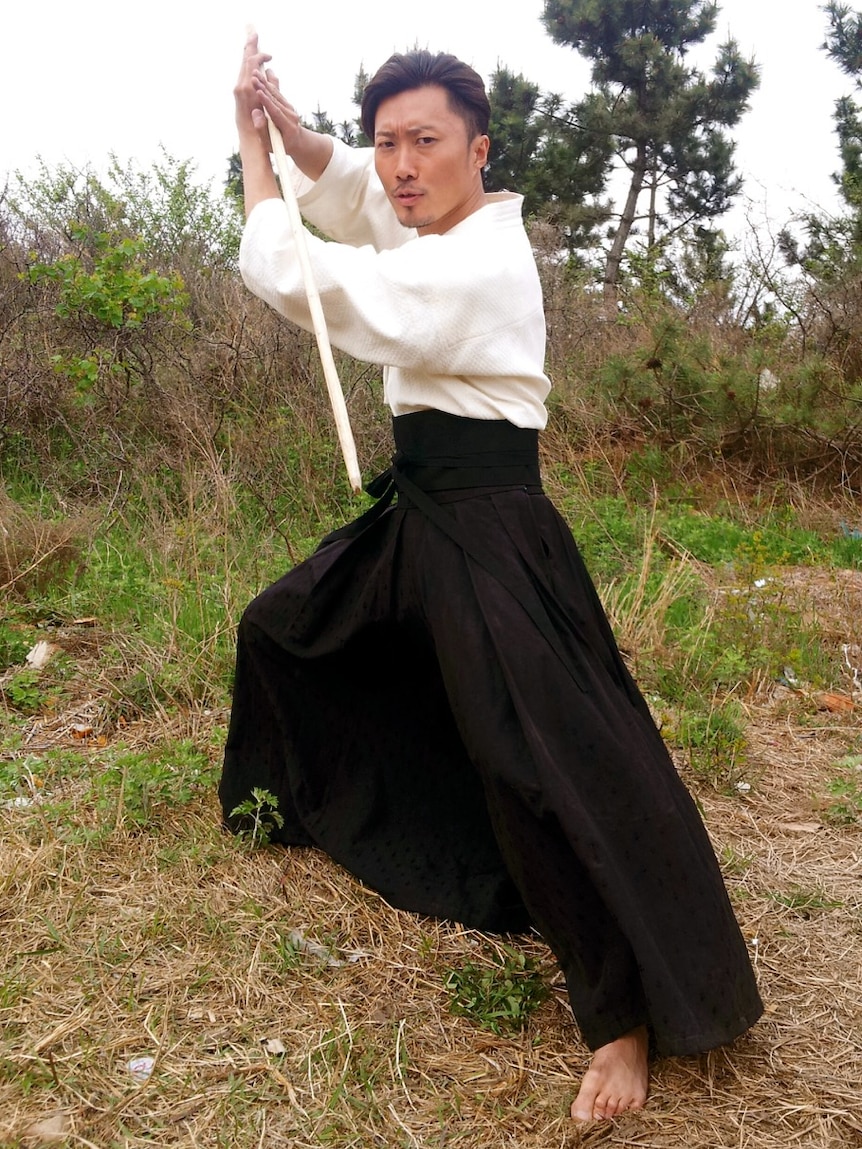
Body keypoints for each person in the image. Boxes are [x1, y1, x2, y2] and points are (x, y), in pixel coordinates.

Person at [220, 33, 764, 1122]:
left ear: (480, 147)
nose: (401, 166)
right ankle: (299, 803)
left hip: (488, 525)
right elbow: (359, 201)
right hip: (422, 508)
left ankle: (622, 1018)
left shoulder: (471, 259)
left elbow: (307, 275)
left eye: (424, 142)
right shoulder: (435, 216)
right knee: (285, 626)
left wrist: (250, 153)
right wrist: (293, 130)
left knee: (533, 758)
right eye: (387, 143)